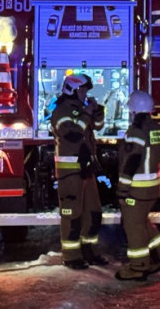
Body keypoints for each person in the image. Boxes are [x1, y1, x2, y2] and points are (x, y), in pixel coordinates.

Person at [114, 90, 160, 281]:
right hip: (153, 188)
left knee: (133, 225)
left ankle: (139, 266)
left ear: (133, 111)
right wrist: (159, 164)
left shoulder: (135, 132)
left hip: (136, 189)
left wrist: (122, 189)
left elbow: (131, 162)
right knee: (142, 221)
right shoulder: (159, 129)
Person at [50, 73, 109, 269]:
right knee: (71, 215)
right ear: (72, 90)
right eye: (83, 90)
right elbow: (74, 134)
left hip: (86, 169)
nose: (85, 94)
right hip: (70, 171)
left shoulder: (81, 109)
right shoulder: (61, 111)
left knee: (93, 213)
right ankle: (71, 256)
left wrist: (97, 111)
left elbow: (97, 127)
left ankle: (89, 251)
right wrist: (86, 113)